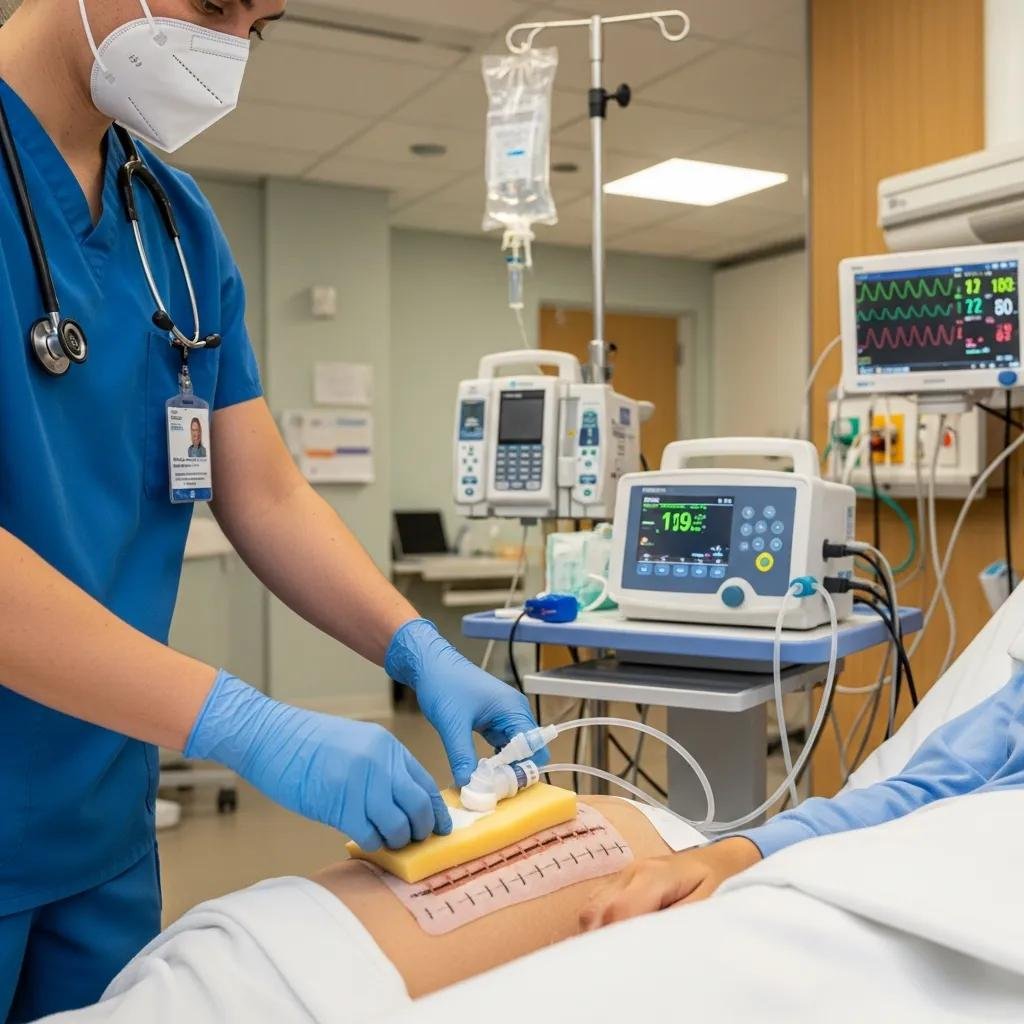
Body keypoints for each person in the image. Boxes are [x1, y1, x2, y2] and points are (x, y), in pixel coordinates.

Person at [0, 1, 542, 1018]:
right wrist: (241, 723)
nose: (229, 49)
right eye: (215, 4)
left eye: (262, 25)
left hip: (100, 817)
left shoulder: (174, 227)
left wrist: (415, 646)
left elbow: (267, 492)